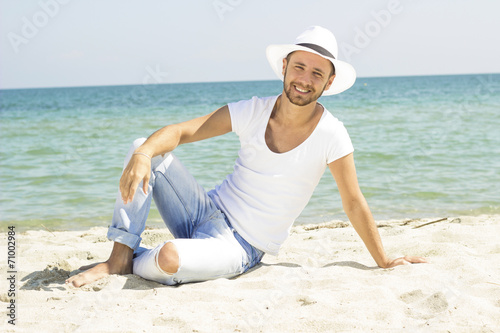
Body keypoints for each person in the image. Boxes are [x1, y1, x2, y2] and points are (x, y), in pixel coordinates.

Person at [66, 26, 427, 288]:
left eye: (317, 73)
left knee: (169, 259)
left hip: (240, 246)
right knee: (144, 145)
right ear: (284, 66)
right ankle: (119, 257)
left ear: (328, 83)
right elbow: (180, 132)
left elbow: (352, 201)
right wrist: (145, 153)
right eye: (299, 67)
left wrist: (383, 260)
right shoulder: (252, 111)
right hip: (204, 211)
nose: (305, 79)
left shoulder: (332, 134)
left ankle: (137, 259)